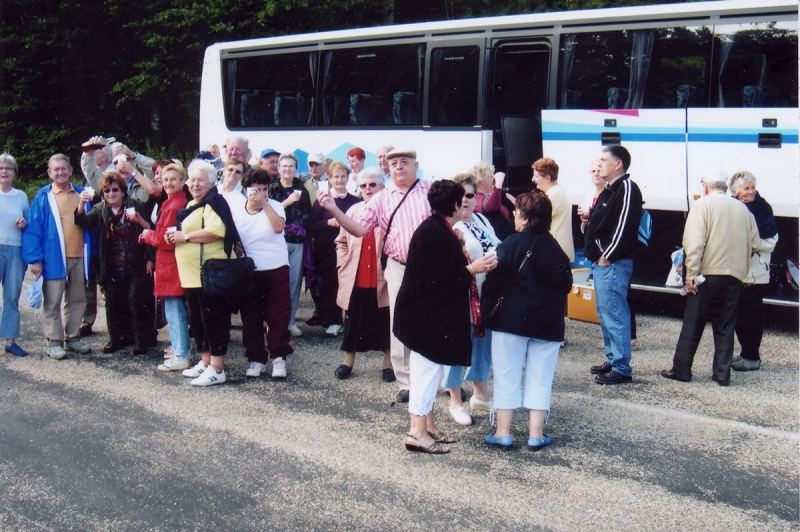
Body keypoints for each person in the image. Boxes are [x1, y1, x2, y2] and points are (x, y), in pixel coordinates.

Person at [317, 149, 431, 403]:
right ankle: (406, 382)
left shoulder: (431, 191)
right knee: (398, 321)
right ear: (388, 170)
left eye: (404, 162)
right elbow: (358, 230)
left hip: (429, 267)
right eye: (393, 163)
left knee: (431, 321)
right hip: (398, 266)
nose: (399, 167)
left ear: (416, 165)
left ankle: (439, 380)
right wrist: (334, 210)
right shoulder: (382, 199)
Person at [394, 180, 498, 454]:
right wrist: (472, 269)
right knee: (426, 374)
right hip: (426, 320)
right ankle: (416, 433)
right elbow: (439, 281)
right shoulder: (436, 233)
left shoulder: (437, 228)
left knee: (429, 371)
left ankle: (427, 426)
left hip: (424, 317)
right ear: (454, 204)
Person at [481, 191, 572, 451]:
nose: (514, 217)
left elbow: (493, 280)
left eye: (517, 213)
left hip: (510, 322)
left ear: (525, 218)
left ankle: (503, 433)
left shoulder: (511, 243)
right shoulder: (557, 249)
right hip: (548, 325)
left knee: (506, 375)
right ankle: (536, 434)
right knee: (541, 377)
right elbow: (565, 285)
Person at [661, 175, 759, 386]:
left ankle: (681, 370)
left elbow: (694, 244)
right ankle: (722, 373)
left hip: (707, 275)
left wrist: (691, 276)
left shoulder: (702, 205)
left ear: (705, 187)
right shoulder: (743, 209)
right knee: (725, 325)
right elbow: (756, 242)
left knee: (694, 323)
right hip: (734, 276)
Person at [169, 160, 239, 387]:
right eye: (192, 179)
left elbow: (216, 232)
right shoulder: (193, 203)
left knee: (214, 320)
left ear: (211, 182)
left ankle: (217, 369)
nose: (195, 184)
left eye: (201, 180)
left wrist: (185, 237)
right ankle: (206, 361)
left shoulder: (214, 202)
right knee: (198, 320)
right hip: (192, 276)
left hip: (210, 275)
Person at [442, 174, 500, 426]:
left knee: (482, 345)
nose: (465, 200)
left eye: (470, 195)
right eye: (460, 195)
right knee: (456, 347)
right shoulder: (451, 227)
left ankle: (480, 393)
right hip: (460, 298)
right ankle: (455, 401)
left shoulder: (482, 219)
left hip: (485, 297)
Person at [22, 154, 92, 359]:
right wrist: (35, 259)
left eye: (64, 168)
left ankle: (73, 338)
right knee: (52, 300)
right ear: (49, 173)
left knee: (78, 299)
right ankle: (53, 341)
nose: (60, 172)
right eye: (56, 169)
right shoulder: (44, 197)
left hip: (79, 257)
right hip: (54, 257)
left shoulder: (82, 194)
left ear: (71, 171)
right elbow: (33, 230)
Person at [75, 172, 153, 354]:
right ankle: (117, 338)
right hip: (112, 266)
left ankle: (141, 339)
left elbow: (149, 230)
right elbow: (82, 220)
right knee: (113, 302)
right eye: (107, 191)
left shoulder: (136, 206)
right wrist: (81, 203)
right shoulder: (101, 209)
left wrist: (150, 259)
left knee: (136, 300)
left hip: (136, 263)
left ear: (123, 191)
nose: (111, 194)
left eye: (115, 190)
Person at [584, 146, 643, 385]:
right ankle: (613, 358)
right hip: (603, 263)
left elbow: (624, 227)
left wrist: (606, 255)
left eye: (604, 160)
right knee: (606, 313)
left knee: (615, 314)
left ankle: (621, 367)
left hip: (613, 263)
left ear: (618, 164)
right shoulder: (609, 190)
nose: (599, 165)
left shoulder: (627, 188)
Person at [333, 168, 393, 380]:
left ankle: (388, 365)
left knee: (386, 322)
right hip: (357, 278)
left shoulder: (391, 211)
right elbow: (341, 242)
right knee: (353, 322)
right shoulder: (353, 211)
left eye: (372, 185)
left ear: (382, 187)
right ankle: (347, 362)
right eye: (364, 186)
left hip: (384, 279)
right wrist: (343, 264)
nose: (367, 189)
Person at [236, 168, 293, 379]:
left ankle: (278, 358)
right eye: (256, 190)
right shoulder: (237, 208)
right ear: (245, 191)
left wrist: (265, 203)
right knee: (251, 317)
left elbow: (279, 227)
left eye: (264, 189)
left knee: (278, 316)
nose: (260, 194)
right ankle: (256, 359)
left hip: (276, 267)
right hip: (250, 271)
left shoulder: (276, 206)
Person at [139, 164, 192, 371]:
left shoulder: (175, 205)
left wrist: (147, 235)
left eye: (173, 179)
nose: (168, 182)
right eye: (164, 179)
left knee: (174, 310)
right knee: (174, 309)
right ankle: (181, 351)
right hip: (168, 264)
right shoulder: (171, 202)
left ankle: (181, 354)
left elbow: (167, 240)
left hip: (171, 264)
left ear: (182, 182)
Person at [729, 171, 779, 372]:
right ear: (735, 192)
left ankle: (751, 357)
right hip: (738, 270)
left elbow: (771, 241)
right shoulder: (732, 206)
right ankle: (745, 354)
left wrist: (747, 244)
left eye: (752, 187)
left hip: (755, 271)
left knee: (751, 315)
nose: (751, 192)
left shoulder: (762, 208)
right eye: (746, 188)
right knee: (739, 314)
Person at [308, 162, 360, 336]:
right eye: (335, 176)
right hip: (327, 249)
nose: (339, 180)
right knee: (331, 285)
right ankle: (334, 320)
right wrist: (327, 222)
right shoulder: (322, 200)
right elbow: (311, 225)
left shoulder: (355, 201)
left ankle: (351, 321)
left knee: (351, 286)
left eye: (343, 176)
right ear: (329, 179)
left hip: (350, 250)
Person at [268, 153, 312, 337]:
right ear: (278, 169)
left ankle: (291, 320)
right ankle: (273, 320)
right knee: (275, 281)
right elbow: (267, 212)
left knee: (294, 282)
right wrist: (286, 203)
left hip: (297, 241)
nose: (287, 170)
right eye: (284, 166)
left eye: (291, 166)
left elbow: (308, 214)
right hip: (276, 240)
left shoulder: (302, 188)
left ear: (296, 169)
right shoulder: (272, 189)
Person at [0, 154, 29, 357]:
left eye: (8, 168)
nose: (4, 172)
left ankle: (10, 340)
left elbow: (29, 222)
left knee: (11, 295)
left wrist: (24, 224)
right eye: (1, 168)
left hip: (16, 250)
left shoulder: (21, 196)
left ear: (14, 173)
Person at [532, 158, 575, 262]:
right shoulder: (557, 191)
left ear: (547, 178)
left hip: (556, 251)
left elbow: (537, 220)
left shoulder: (554, 194)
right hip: (557, 250)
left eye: (536, 176)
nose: (533, 179)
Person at [472, 162, 512, 240]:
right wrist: (498, 183)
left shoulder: (490, 195)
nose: (494, 178)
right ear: (481, 181)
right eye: (491, 176)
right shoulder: (475, 197)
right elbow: (490, 207)